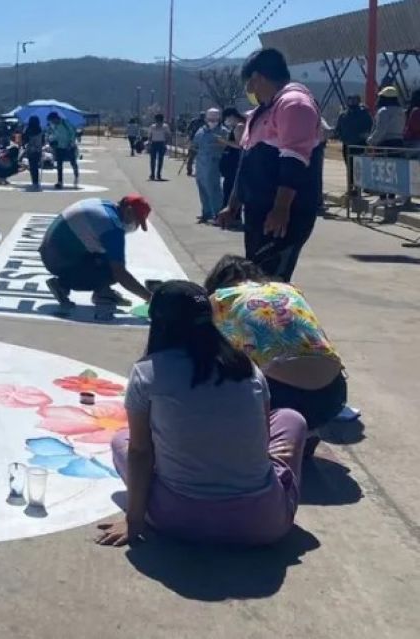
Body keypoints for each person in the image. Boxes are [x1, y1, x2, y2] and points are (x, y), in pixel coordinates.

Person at [95, 280, 308, 547]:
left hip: (176, 519)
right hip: (263, 524)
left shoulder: (148, 372)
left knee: (122, 442)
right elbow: (261, 439)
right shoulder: (246, 367)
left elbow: (140, 452)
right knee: (291, 419)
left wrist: (133, 520)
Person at [204, 255, 347, 455]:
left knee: (220, 364)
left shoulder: (220, 298)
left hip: (281, 397)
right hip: (333, 395)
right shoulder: (290, 290)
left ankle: (266, 440)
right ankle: (307, 434)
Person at [218, 48, 322, 283]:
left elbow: (294, 160)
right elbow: (247, 164)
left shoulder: (294, 104)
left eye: (250, 84)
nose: (250, 91)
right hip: (258, 212)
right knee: (256, 278)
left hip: (282, 215)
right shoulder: (262, 111)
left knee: (272, 282)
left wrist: (281, 208)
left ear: (258, 77)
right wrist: (232, 205)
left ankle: (277, 320)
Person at [40, 195, 155, 312]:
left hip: (50, 248)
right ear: (129, 211)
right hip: (57, 259)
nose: (136, 225)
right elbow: (120, 273)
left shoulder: (106, 205)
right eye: (137, 220)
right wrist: (151, 299)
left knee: (110, 259)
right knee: (113, 271)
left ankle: (103, 292)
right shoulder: (112, 227)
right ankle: (62, 285)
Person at [335, 95, 373, 194]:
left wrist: (364, 136)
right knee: (349, 167)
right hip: (347, 145)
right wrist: (341, 137)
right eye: (350, 100)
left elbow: (370, 127)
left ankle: (361, 187)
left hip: (359, 145)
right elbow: (338, 129)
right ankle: (351, 187)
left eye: (354, 100)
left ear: (358, 101)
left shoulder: (364, 114)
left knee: (360, 167)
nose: (352, 102)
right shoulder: (343, 114)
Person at [193, 108, 226, 223]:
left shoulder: (223, 131)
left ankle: (218, 214)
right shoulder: (201, 131)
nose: (212, 120)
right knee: (202, 188)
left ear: (219, 118)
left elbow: (227, 146)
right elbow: (195, 144)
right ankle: (206, 213)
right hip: (200, 164)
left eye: (215, 118)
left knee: (214, 189)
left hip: (213, 163)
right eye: (210, 118)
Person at [218, 108, 246, 211]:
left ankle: (232, 215)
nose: (227, 121)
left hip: (235, 161)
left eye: (227, 118)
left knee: (230, 189)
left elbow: (239, 145)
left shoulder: (239, 126)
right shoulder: (237, 126)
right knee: (228, 187)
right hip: (231, 162)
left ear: (232, 116)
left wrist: (224, 141)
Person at [47, 111, 79, 189]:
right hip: (59, 147)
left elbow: (72, 133)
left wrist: (71, 143)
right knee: (59, 165)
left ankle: (76, 177)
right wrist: (51, 140)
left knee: (73, 163)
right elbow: (51, 135)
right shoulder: (53, 126)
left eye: (52, 120)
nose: (52, 122)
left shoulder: (65, 123)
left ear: (56, 118)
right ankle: (60, 182)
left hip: (69, 146)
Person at [367, 86, 405, 150]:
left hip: (386, 143)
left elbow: (381, 129)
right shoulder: (401, 111)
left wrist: (371, 140)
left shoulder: (383, 111)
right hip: (399, 143)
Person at [23, 116, 46, 190]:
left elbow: (25, 140)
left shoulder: (28, 129)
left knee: (32, 167)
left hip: (30, 150)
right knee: (36, 166)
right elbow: (43, 141)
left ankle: (34, 182)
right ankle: (36, 182)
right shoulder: (40, 130)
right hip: (38, 150)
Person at [147, 114, 170, 181]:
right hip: (156, 143)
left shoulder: (164, 126)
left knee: (157, 160)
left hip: (159, 143)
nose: (158, 121)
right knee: (156, 160)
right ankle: (155, 174)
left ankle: (156, 174)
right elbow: (150, 135)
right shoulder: (153, 126)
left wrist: (166, 143)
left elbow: (167, 135)